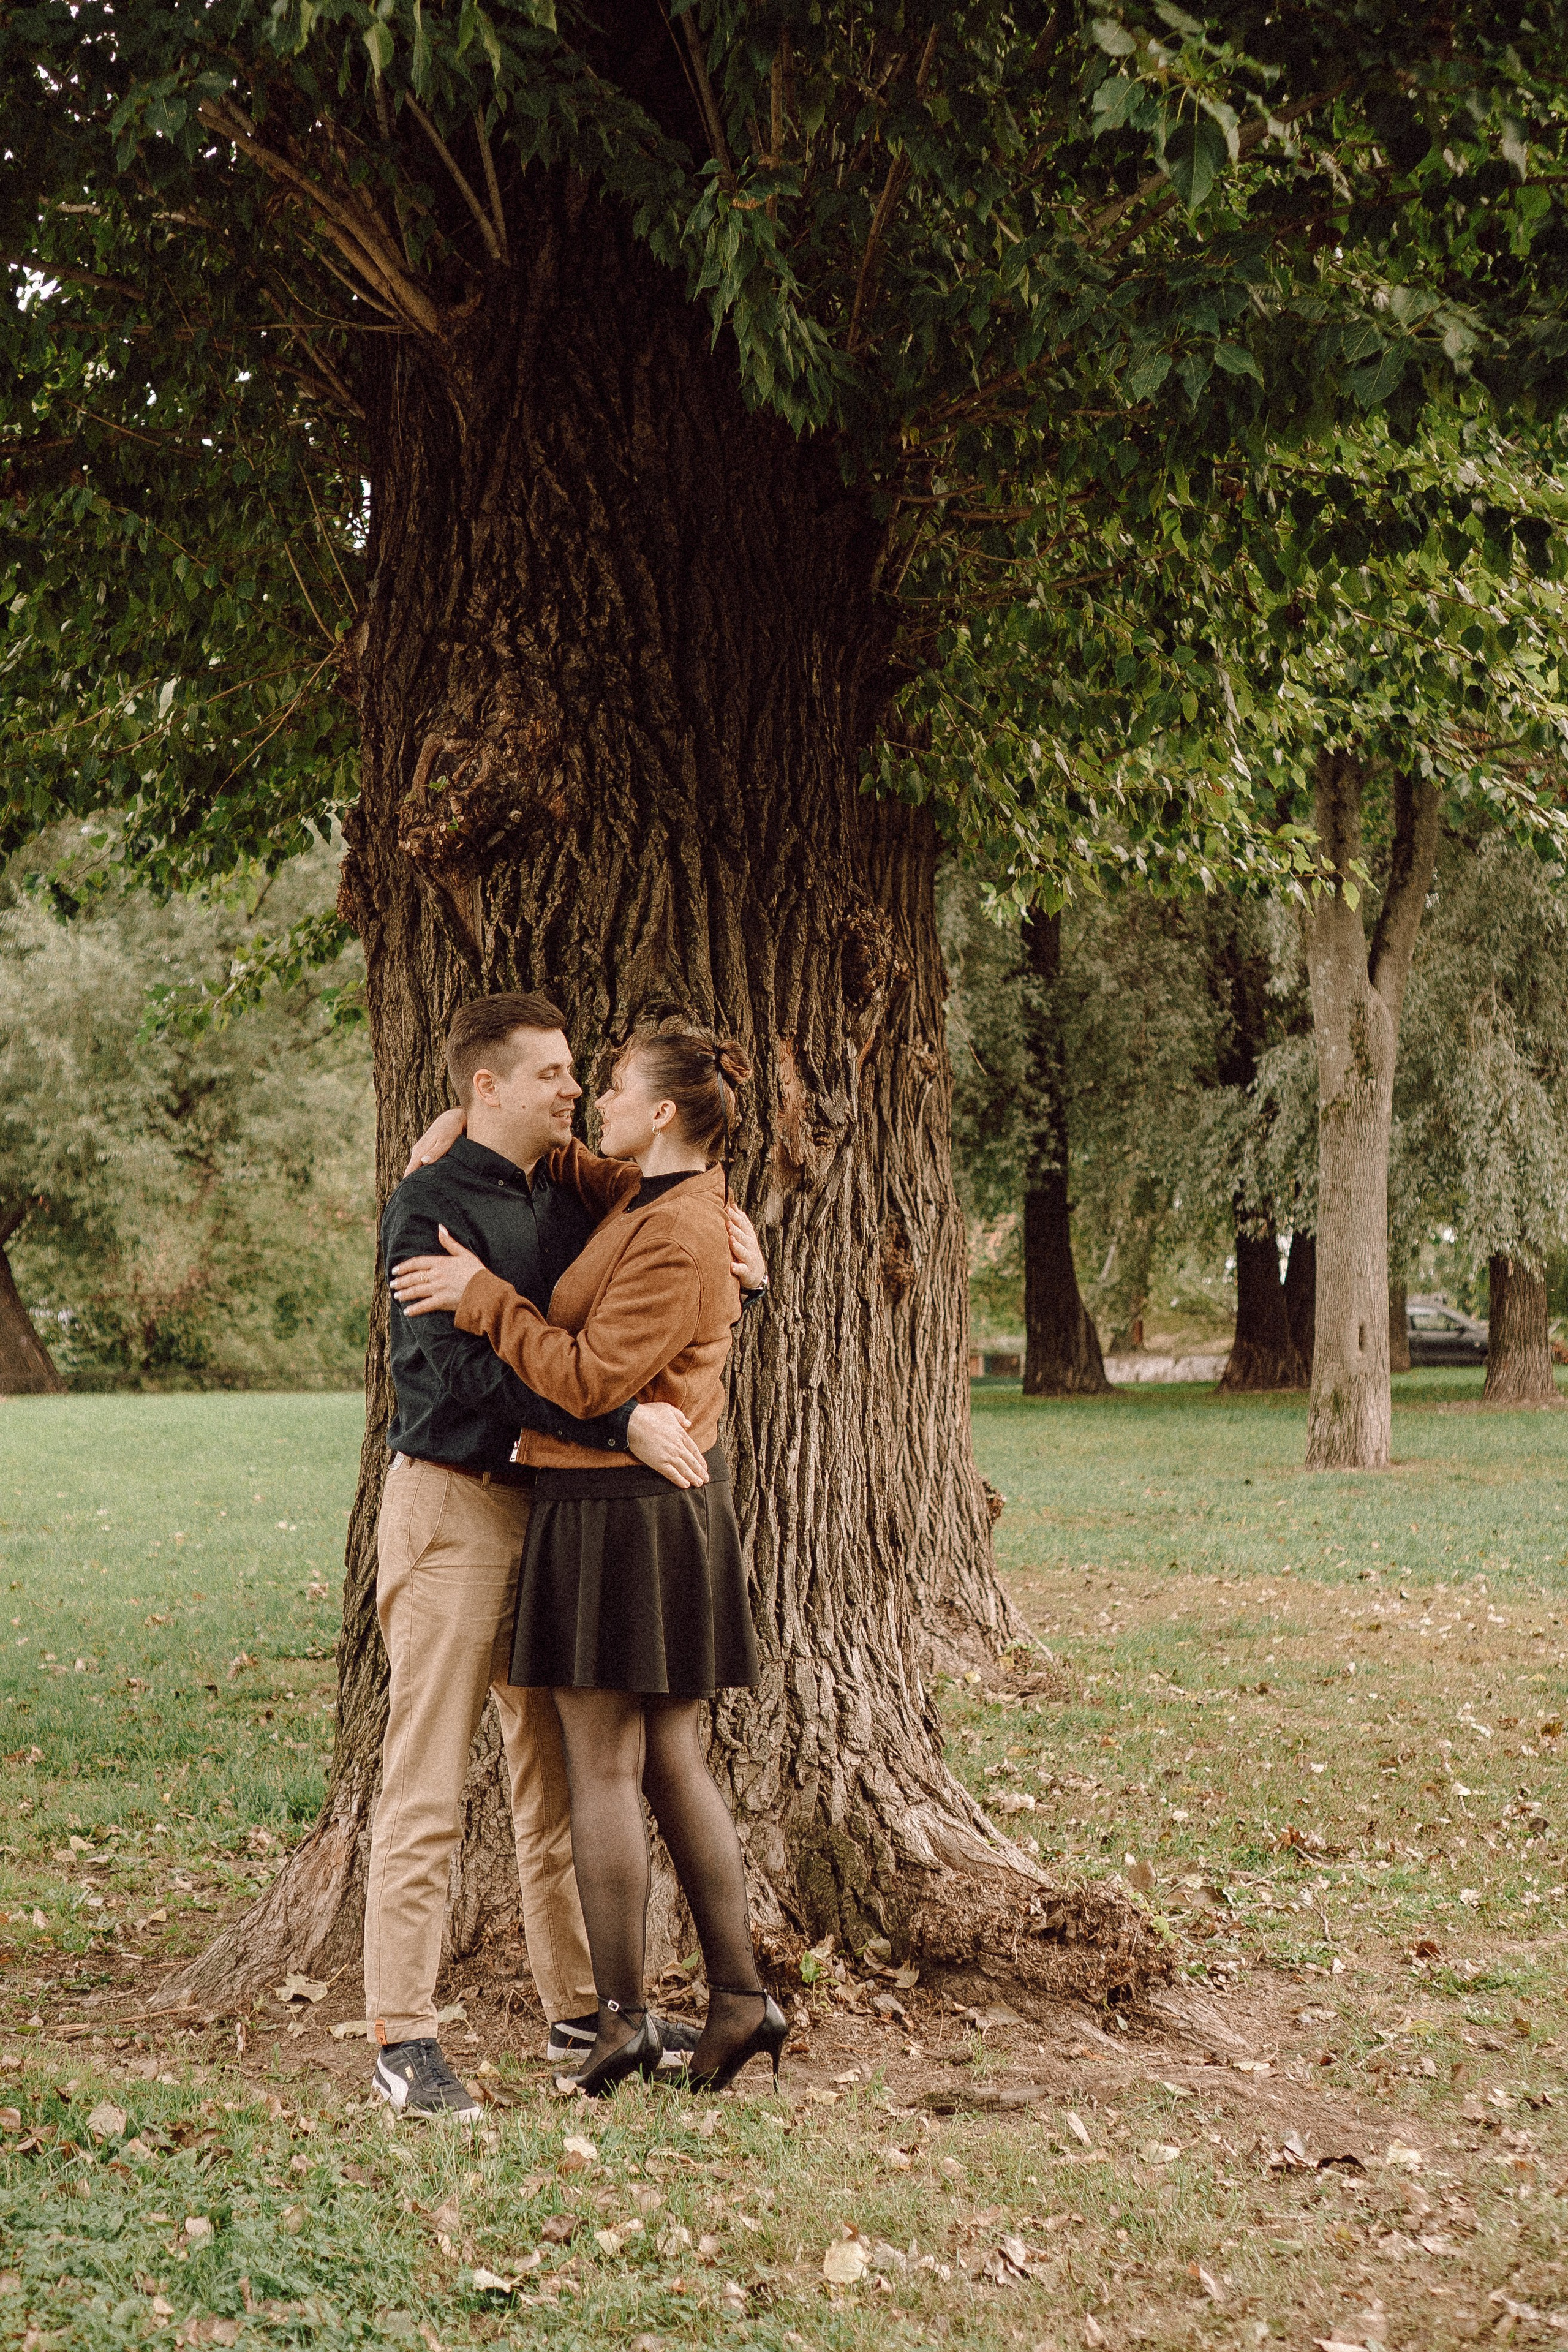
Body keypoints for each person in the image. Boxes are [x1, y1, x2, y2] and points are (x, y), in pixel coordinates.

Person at [368, 992, 768, 2119]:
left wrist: (746, 1257)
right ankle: (403, 2036)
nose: (574, 1089)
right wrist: (615, 1423)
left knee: (555, 1781)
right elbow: (461, 1378)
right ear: (485, 1085)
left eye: (584, 1074)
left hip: (556, 1517)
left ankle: (585, 2009)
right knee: (429, 1782)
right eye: (550, 1072)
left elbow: (665, 1252)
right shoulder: (428, 1205)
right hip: (454, 1510)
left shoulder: (573, 1188)